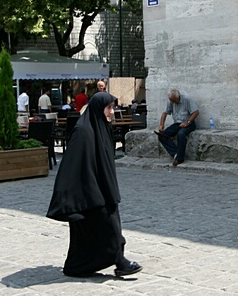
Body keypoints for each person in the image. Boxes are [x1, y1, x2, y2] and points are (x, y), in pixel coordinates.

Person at [46, 92, 142, 278]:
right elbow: (74, 165)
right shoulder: (83, 132)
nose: (112, 112)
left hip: (103, 187)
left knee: (102, 228)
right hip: (89, 191)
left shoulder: (101, 127)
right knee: (107, 226)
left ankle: (81, 265)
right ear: (99, 108)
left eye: (113, 108)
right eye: (109, 108)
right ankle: (119, 261)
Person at [155, 89, 199, 167]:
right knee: (161, 135)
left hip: (189, 123)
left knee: (181, 134)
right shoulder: (170, 101)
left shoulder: (187, 99)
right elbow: (165, 113)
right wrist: (161, 124)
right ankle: (177, 154)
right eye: (172, 101)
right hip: (177, 124)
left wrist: (187, 122)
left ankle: (180, 158)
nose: (173, 102)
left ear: (178, 97)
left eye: (174, 101)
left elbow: (196, 112)